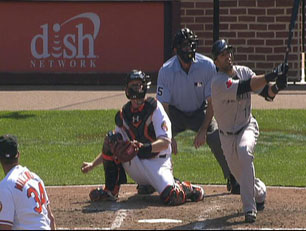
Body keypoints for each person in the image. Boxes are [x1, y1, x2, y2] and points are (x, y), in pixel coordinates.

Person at [81, 70, 205, 206]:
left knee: (172, 197)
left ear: (144, 87)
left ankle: (187, 188)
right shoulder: (124, 114)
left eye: (139, 85)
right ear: (127, 89)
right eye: (133, 85)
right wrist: (93, 164)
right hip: (136, 163)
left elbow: (165, 142)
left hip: (158, 163)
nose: (136, 89)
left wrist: (143, 147)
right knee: (112, 139)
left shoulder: (154, 108)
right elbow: (113, 146)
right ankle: (110, 191)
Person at [210, 39, 288, 223]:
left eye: (228, 52)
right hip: (226, 136)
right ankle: (260, 193)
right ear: (216, 62)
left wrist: (277, 86)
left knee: (245, 152)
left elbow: (267, 94)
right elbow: (247, 86)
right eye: (223, 54)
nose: (228, 56)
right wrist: (272, 74)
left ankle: (249, 209)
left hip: (247, 126)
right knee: (240, 176)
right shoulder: (218, 83)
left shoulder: (244, 71)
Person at [156, 27, 240, 194]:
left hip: (201, 111)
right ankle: (154, 180)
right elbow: (162, 109)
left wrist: (203, 130)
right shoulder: (166, 70)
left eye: (190, 45)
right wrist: (168, 136)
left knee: (217, 136)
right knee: (155, 137)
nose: (188, 49)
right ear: (176, 49)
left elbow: (212, 102)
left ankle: (233, 177)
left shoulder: (207, 66)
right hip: (174, 114)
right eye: (184, 46)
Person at [0, 134, 56, 230]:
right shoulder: (35, 178)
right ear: (18, 154)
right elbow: (51, 219)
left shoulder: (5, 186)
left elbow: (5, 228)